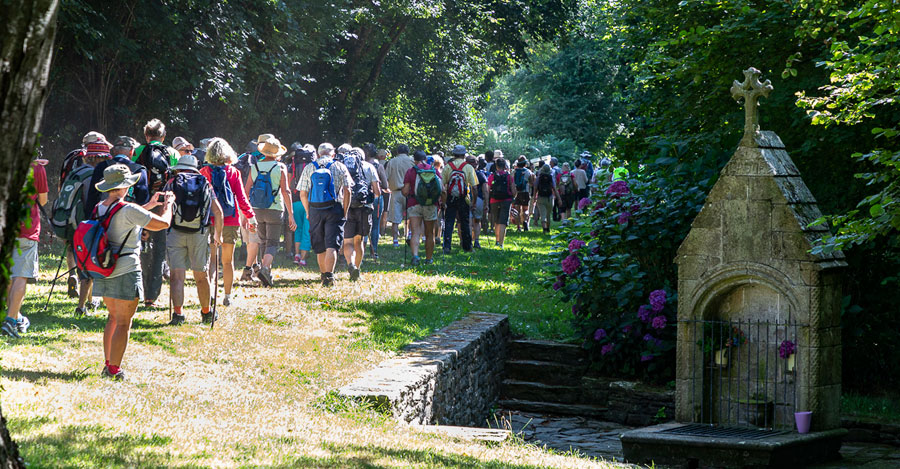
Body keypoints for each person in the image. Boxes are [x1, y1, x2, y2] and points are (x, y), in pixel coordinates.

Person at [92, 164, 174, 379]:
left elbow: (124, 217)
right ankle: (114, 370)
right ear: (123, 187)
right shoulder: (129, 209)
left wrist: (149, 204)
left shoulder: (100, 207)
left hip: (104, 267)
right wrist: (169, 205)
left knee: (112, 318)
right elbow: (163, 224)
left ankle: (108, 363)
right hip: (127, 268)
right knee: (123, 322)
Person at [165, 154, 224, 325]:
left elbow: (165, 206)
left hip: (175, 233)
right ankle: (206, 312)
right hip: (199, 233)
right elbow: (218, 211)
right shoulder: (205, 183)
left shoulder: (171, 183)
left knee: (176, 276)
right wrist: (217, 235)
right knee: (201, 275)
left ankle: (178, 315)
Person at [200, 138, 257, 307]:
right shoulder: (233, 172)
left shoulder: (204, 171)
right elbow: (241, 198)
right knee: (227, 261)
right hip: (230, 220)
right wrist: (251, 217)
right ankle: (227, 296)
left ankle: (210, 294)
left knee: (211, 260)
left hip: (210, 220)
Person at [1, 159, 48, 338]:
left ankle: (16, 316)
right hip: (26, 227)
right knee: (20, 275)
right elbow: (43, 200)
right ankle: (12, 320)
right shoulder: (36, 168)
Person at [133, 119, 178, 308]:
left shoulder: (137, 151)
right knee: (159, 250)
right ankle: (152, 296)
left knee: (140, 247)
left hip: (141, 204)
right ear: (164, 136)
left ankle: (140, 290)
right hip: (163, 205)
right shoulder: (173, 153)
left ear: (146, 135)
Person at [297, 143, 353, 287]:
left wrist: (308, 211)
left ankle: (323, 275)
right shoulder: (340, 167)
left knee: (320, 245)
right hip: (334, 209)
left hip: (315, 209)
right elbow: (348, 190)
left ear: (318, 153)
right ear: (333, 154)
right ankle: (329, 276)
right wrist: (344, 211)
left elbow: (303, 193)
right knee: (332, 245)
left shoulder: (310, 167)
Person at [245, 135, 296, 287]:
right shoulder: (280, 167)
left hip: (257, 209)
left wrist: (247, 213)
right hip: (275, 209)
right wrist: (291, 214)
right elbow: (286, 191)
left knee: (263, 241)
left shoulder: (255, 167)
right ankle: (265, 269)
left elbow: (246, 190)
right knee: (273, 242)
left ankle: (265, 273)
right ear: (277, 153)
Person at [340, 147, 380, 280]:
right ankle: (357, 268)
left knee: (348, 242)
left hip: (347, 207)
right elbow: (377, 191)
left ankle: (351, 265)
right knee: (360, 241)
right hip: (364, 208)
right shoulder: (370, 167)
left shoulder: (343, 166)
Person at [403, 150, 441, 265]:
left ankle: (415, 256)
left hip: (414, 204)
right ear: (426, 158)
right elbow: (442, 189)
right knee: (430, 233)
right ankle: (429, 259)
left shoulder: (411, 171)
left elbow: (405, 191)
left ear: (414, 160)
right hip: (431, 205)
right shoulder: (434, 170)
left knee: (415, 232)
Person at [441, 145, 477, 253]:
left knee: (449, 222)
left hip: (450, 197)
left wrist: (443, 201)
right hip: (464, 197)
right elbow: (474, 187)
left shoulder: (448, 166)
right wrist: (473, 202)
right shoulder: (468, 167)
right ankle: (468, 246)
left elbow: (442, 185)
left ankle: (447, 246)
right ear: (464, 154)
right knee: (465, 222)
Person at [237, 137, 264, 282]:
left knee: (248, 239)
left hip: (242, 202)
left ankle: (255, 267)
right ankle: (247, 271)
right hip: (255, 204)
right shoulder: (260, 161)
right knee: (255, 239)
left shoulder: (240, 160)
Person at [288, 143, 315, 266]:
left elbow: (288, 185)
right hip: (308, 201)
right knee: (307, 230)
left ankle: (297, 255)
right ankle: (303, 259)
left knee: (297, 229)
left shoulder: (291, 166)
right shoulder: (313, 166)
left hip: (295, 200)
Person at [383, 144, 414, 247]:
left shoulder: (392, 162)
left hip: (396, 192)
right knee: (411, 216)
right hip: (410, 192)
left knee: (395, 219)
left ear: (397, 151)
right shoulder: (412, 161)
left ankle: (395, 241)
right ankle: (410, 235)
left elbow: (386, 177)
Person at [363, 144, 388, 260]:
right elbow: (385, 184)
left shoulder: (359, 165)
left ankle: (361, 251)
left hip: (362, 198)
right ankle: (374, 251)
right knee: (375, 225)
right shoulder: (378, 166)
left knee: (362, 224)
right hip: (376, 198)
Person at [488, 157, 517, 248]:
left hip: (494, 200)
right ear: (505, 166)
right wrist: (513, 197)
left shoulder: (492, 176)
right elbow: (513, 189)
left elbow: (488, 189)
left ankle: (497, 241)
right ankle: (501, 243)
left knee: (496, 220)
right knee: (503, 221)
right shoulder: (509, 176)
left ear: (496, 166)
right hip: (506, 200)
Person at [534, 163, 562, 234]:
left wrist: (534, 197)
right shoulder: (551, 178)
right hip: (550, 198)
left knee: (543, 214)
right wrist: (559, 199)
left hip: (540, 197)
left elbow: (535, 188)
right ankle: (548, 228)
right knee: (548, 214)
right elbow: (555, 189)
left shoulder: (538, 178)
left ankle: (544, 228)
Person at [512, 156, 535, 232]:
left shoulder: (514, 172)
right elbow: (532, 183)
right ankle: (525, 221)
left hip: (516, 193)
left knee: (517, 210)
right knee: (525, 209)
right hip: (525, 192)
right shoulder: (528, 172)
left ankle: (518, 227)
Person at [470, 156, 489, 249]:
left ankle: (467, 241)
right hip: (479, 199)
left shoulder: (464, 173)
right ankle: (476, 240)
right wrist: (486, 203)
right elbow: (485, 190)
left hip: (466, 198)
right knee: (477, 221)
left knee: (468, 221)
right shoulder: (480, 175)